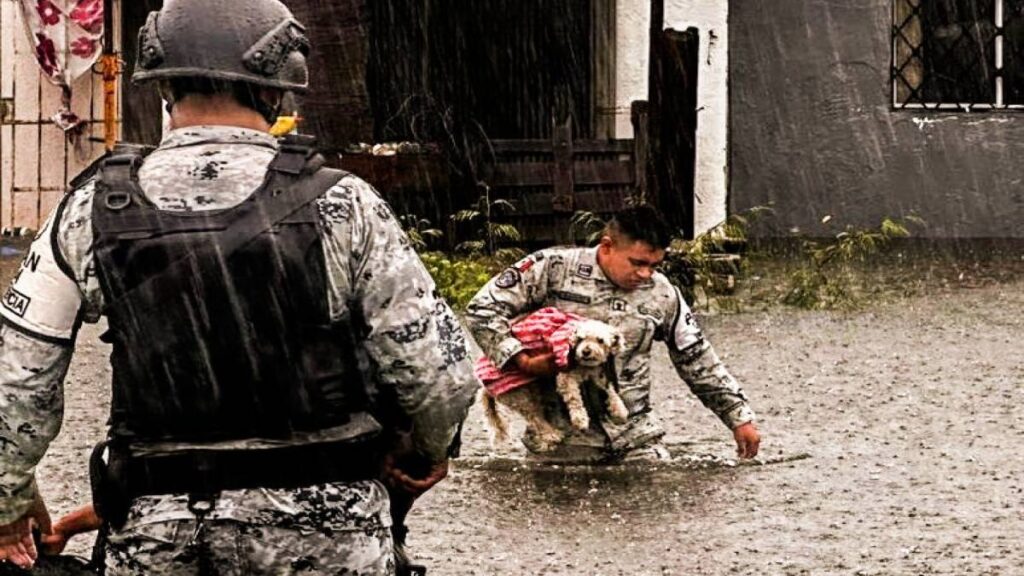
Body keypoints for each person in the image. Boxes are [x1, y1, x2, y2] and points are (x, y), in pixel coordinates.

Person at [0, 0, 477, 572]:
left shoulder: (91, 207)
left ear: (164, 86)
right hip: (330, 536)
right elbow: (437, 376)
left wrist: (8, 501)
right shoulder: (342, 203)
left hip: (159, 535)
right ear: (278, 88)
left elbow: (16, 379)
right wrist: (424, 450)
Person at [464, 205, 760, 462]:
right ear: (607, 246)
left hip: (636, 440)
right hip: (562, 443)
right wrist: (521, 360)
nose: (646, 274)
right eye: (638, 263)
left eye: (655, 265)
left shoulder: (663, 293)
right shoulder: (552, 269)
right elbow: (481, 309)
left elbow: (696, 356)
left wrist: (738, 417)